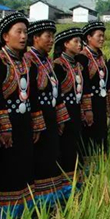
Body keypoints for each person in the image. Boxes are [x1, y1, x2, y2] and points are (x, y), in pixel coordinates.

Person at [0, 12, 44, 219]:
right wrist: (3, 126)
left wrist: (37, 123)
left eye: (25, 32)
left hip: (24, 122)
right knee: (7, 169)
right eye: (18, 32)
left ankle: (23, 213)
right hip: (7, 125)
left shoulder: (27, 63)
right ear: (5, 36)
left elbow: (34, 95)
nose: (23, 36)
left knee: (24, 166)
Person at [24, 20, 69, 207]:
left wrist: (61, 117)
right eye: (47, 36)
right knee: (39, 158)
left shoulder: (47, 61)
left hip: (50, 116)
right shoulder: (28, 60)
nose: (51, 40)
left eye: (52, 36)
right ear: (35, 38)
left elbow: (56, 92)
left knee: (51, 156)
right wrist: (37, 121)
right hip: (37, 116)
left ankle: (49, 201)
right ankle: (38, 202)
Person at [53, 28, 92, 196]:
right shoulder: (57, 65)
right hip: (64, 111)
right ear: (65, 44)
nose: (79, 45)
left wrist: (87, 110)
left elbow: (84, 90)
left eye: (80, 41)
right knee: (65, 147)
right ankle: (63, 188)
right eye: (75, 41)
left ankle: (76, 185)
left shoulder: (79, 65)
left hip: (76, 110)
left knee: (76, 145)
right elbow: (56, 93)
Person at [76, 21, 109, 155]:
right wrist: (87, 108)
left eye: (103, 36)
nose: (102, 39)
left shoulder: (102, 57)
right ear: (89, 37)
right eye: (99, 36)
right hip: (89, 102)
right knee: (89, 134)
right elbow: (84, 85)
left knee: (101, 133)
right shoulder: (82, 57)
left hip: (100, 100)